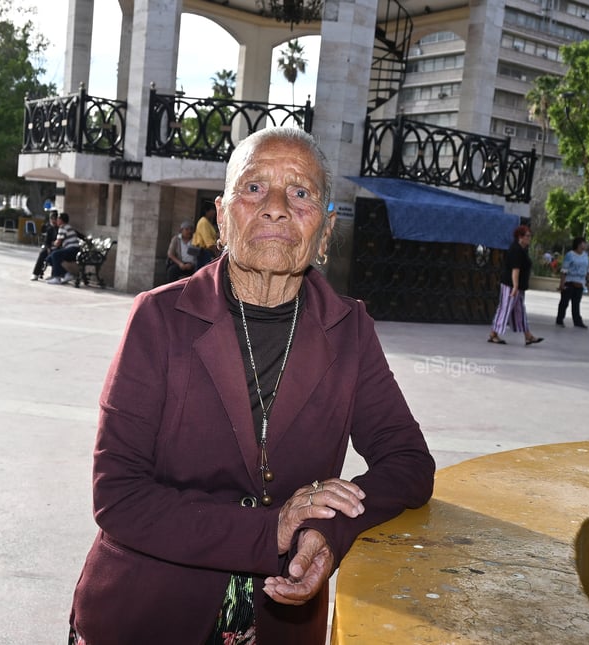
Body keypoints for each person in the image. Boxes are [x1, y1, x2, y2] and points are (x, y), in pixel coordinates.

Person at [68, 127, 435, 644]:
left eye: (301, 192)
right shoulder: (158, 318)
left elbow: (409, 462)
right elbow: (118, 496)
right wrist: (273, 528)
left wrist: (328, 529)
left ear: (326, 230)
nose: (277, 207)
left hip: (281, 621)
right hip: (147, 611)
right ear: (222, 216)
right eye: (255, 188)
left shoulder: (350, 329)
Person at [488, 225, 543, 346]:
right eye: (527, 236)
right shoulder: (516, 250)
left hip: (518, 287)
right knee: (505, 308)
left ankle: (528, 336)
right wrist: (515, 286)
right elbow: (515, 270)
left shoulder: (521, 249)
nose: (529, 238)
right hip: (511, 285)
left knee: (520, 311)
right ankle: (494, 334)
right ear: (520, 237)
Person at [556, 236, 589, 329]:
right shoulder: (570, 255)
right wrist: (562, 283)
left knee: (576, 303)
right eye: (584, 243)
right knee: (564, 302)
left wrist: (587, 281)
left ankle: (577, 321)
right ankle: (560, 319)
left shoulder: (585, 255)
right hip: (570, 282)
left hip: (580, 282)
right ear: (579, 244)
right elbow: (564, 270)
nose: (585, 245)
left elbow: (587, 269)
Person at [45, 212, 80, 285]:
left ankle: (57, 277)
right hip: (73, 250)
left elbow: (58, 243)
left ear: (61, 220)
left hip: (72, 249)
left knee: (55, 255)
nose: (56, 221)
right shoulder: (67, 227)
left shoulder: (63, 227)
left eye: (58, 219)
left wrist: (52, 243)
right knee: (49, 258)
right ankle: (66, 274)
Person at [29, 210, 59, 280]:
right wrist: (48, 247)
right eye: (51, 219)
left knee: (55, 254)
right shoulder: (49, 227)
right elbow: (47, 241)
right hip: (49, 246)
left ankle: (54, 275)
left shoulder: (60, 227)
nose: (53, 221)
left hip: (58, 247)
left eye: (54, 219)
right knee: (42, 253)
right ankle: (35, 273)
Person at [193, 202, 220, 269]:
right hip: (204, 253)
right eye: (212, 210)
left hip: (207, 252)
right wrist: (217, 254)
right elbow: (209, 243)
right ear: (206, 211)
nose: (214, 212)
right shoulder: (203, 222)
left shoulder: (207, 222)